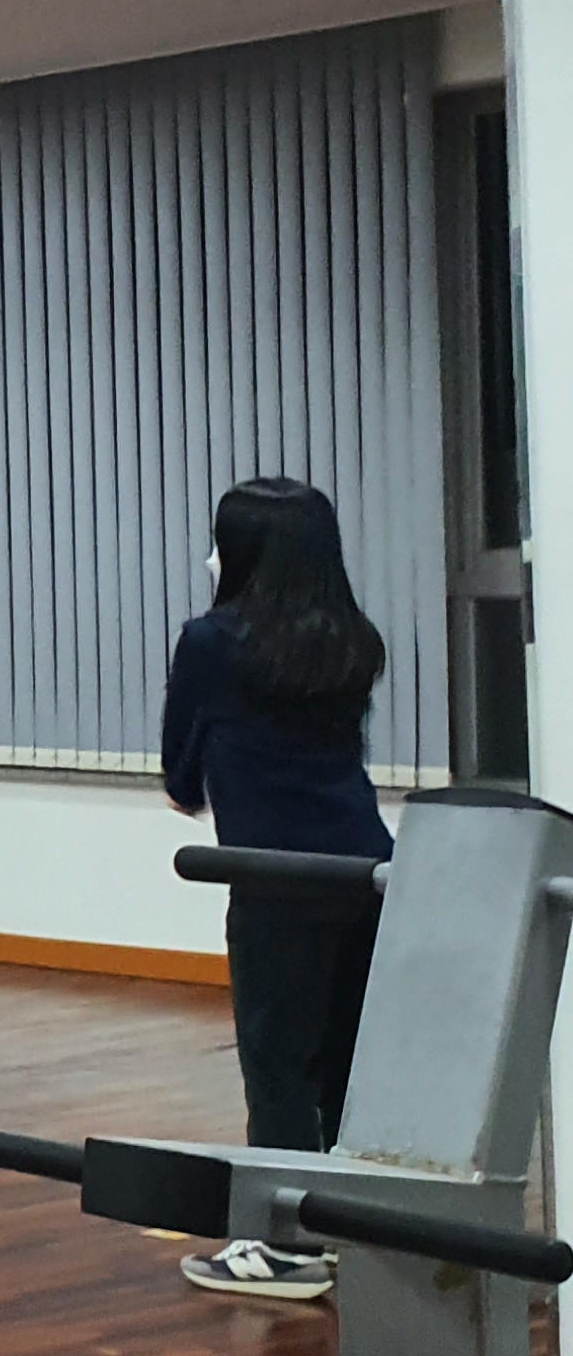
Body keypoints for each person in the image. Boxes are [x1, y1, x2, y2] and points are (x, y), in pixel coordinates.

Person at [164, 477, 391, 1302]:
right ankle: (352, 1228)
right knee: (345, 1063)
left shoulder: (210, 641)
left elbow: (181, 780)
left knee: (278, 1065)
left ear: (242, 554)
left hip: (275, 882)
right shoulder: (356, 641)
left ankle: (285, 1248)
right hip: (369, 873)